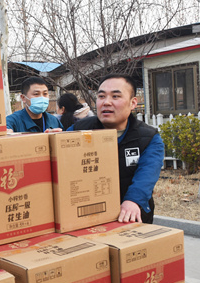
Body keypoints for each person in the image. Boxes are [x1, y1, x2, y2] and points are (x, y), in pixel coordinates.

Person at [70, 74, 165, 223]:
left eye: (115, 96)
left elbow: (146, 176)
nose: (106, 102)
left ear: (133, 103)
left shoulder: (148, 137)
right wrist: (51, 139)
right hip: (86, 214)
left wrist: (133, 200)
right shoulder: (78, 129)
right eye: (101, 96)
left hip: (130, 215)